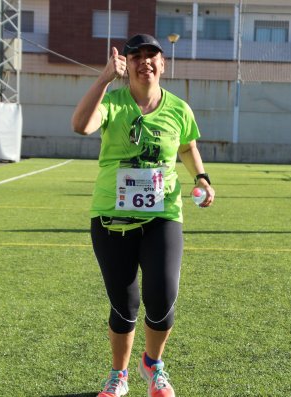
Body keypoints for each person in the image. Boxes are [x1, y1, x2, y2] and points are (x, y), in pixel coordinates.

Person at [71, 33, 215, 397]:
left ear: (163, 64)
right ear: (127, 65)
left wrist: (201, 177)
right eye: (136, 56)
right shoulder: (113, 102)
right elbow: (81, 125)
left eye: (152, 55)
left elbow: (187, 146)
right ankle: (119, 376)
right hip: (110, 217)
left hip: (163, 214)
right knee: (125, 304)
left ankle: (153, 364)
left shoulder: (179, 109)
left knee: (162, 296)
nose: (144, 61)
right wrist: (104, 78)